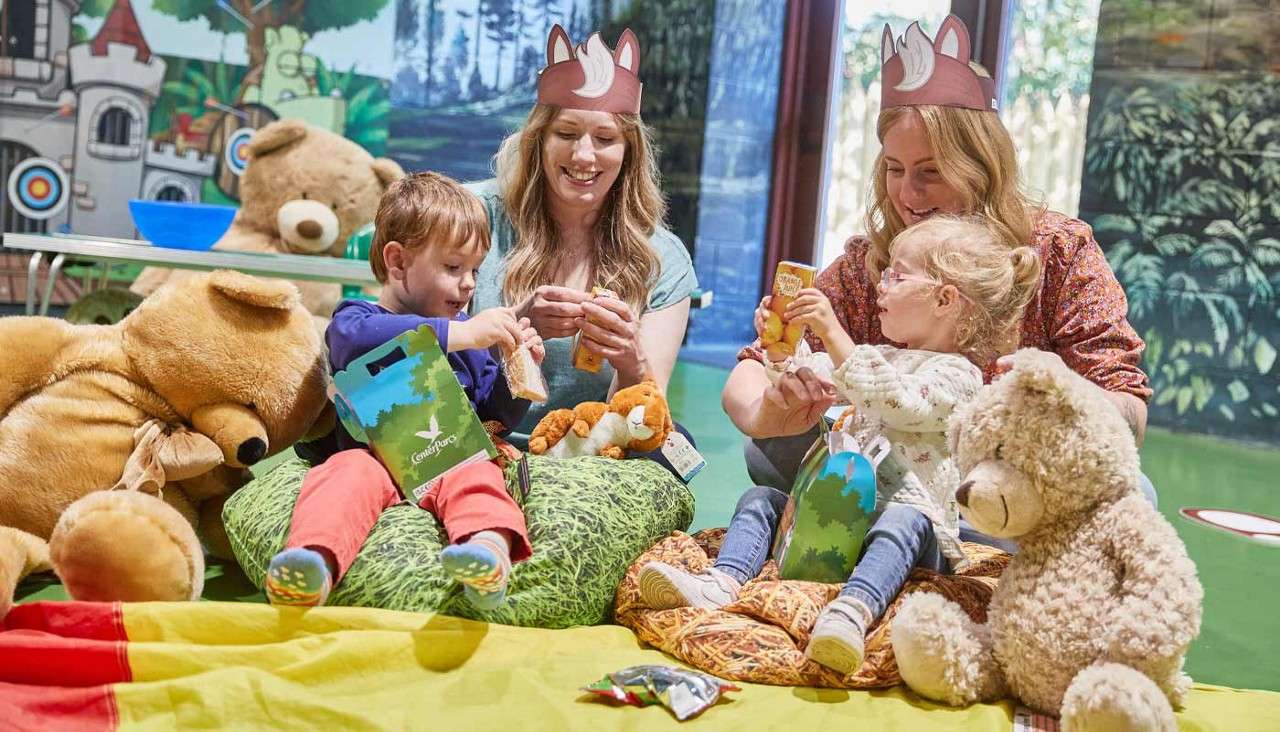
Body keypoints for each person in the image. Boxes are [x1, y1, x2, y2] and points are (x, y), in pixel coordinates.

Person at [722, 15, 1155, 528]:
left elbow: (1128, 409)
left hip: (1016, 481)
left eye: (931, 171)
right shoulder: (870, 263)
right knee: (767, 447)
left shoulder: (1059, 251)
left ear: (983, 165)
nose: (908, 195)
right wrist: (771, 411)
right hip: (895, 475)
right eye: (895, 169)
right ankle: (917, 535)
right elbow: (750, 371)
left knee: (1133, 490)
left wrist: (1064, 395)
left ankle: (937, 538)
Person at [638, 216, 1042, 675]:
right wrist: (780, 348)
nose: (881, 285)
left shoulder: (960, 376)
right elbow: (821, 374)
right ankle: (722, 581)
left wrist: (832, 332)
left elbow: (898, 400)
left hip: (913, 539)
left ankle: (852, 612)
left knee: (906, 519)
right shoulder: (885, 355)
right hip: (845, 520)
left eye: (897, 276)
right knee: (762, 498)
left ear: (944, 299)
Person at [265, 172, 543, 610]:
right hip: (372, 464)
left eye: (474, 269)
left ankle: (487, 552)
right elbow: (355, 342)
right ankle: (312, 563)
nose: (469, 283)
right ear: (397, 262)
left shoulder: (469, 341)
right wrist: (462, 334)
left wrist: (518, 377)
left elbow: (497, 419)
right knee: (342, 474)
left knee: (479, 474)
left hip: (447, 460)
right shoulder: (358, 319)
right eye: (453, 268)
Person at [466, 24, 698, 450]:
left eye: (605, 138)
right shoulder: (474, 214)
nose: (584, 155)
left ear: (629, 152)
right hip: (472, 442)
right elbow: (420, 354)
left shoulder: (663, 259)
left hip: (586, 454)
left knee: (676, 447)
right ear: (539, 139)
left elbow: (643, 422)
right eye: (567, 133)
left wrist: (632, 361)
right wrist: (513, 328)